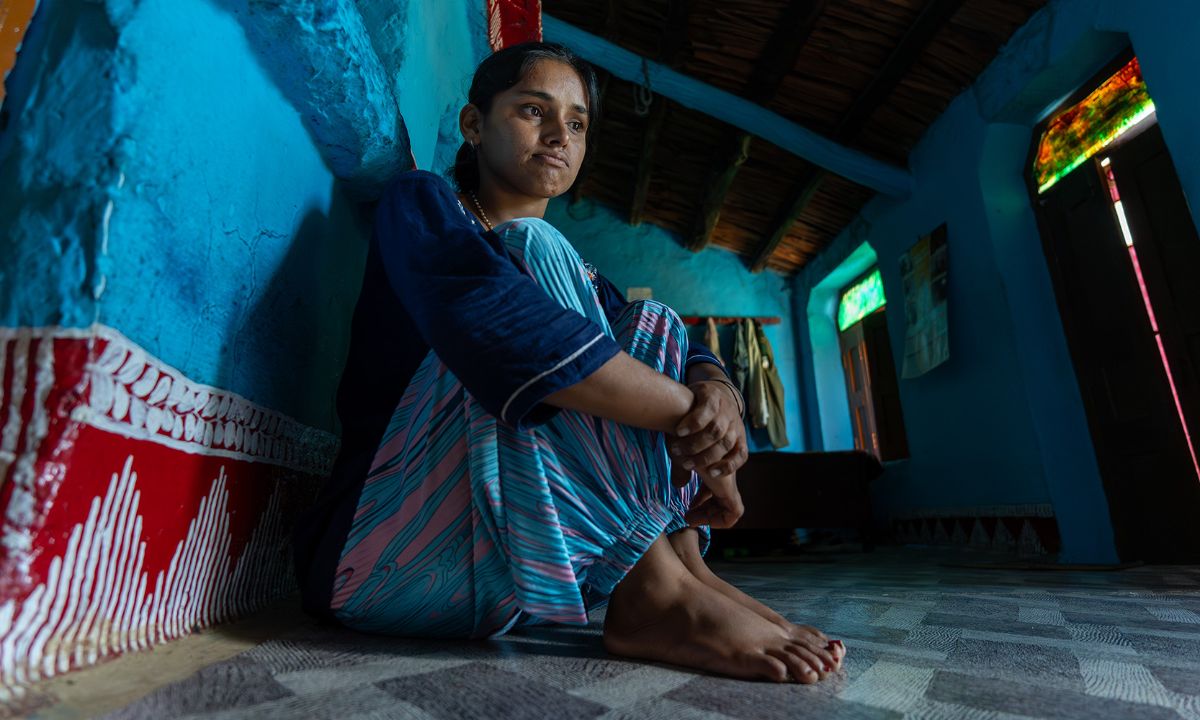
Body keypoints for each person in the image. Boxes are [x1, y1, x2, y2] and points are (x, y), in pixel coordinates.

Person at [293, 41, 845, 684]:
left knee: (652, 324)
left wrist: (716, 395)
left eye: (577, 123)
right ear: (474, 125)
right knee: (533, 253)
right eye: (535, 110)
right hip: (379, 562)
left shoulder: (580, 277)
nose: (560, 134)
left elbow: (681, 350)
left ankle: (689, 570)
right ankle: (655, 595)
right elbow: (507, 329)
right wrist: (688, 418)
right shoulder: (422, 204)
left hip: (516, 578)